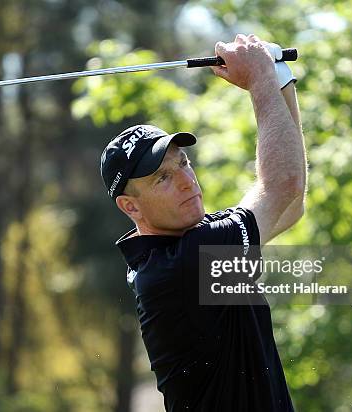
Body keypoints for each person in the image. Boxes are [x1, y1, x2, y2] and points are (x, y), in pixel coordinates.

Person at [100, 34, 307, 411]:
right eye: (162, 178)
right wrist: (260, 77)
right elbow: (283, 184)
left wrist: (279, 79)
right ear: (131, 207)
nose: (186, 180)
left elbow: (290, 205)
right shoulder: (186, 263)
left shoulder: (185, 250)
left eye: (183, 163)